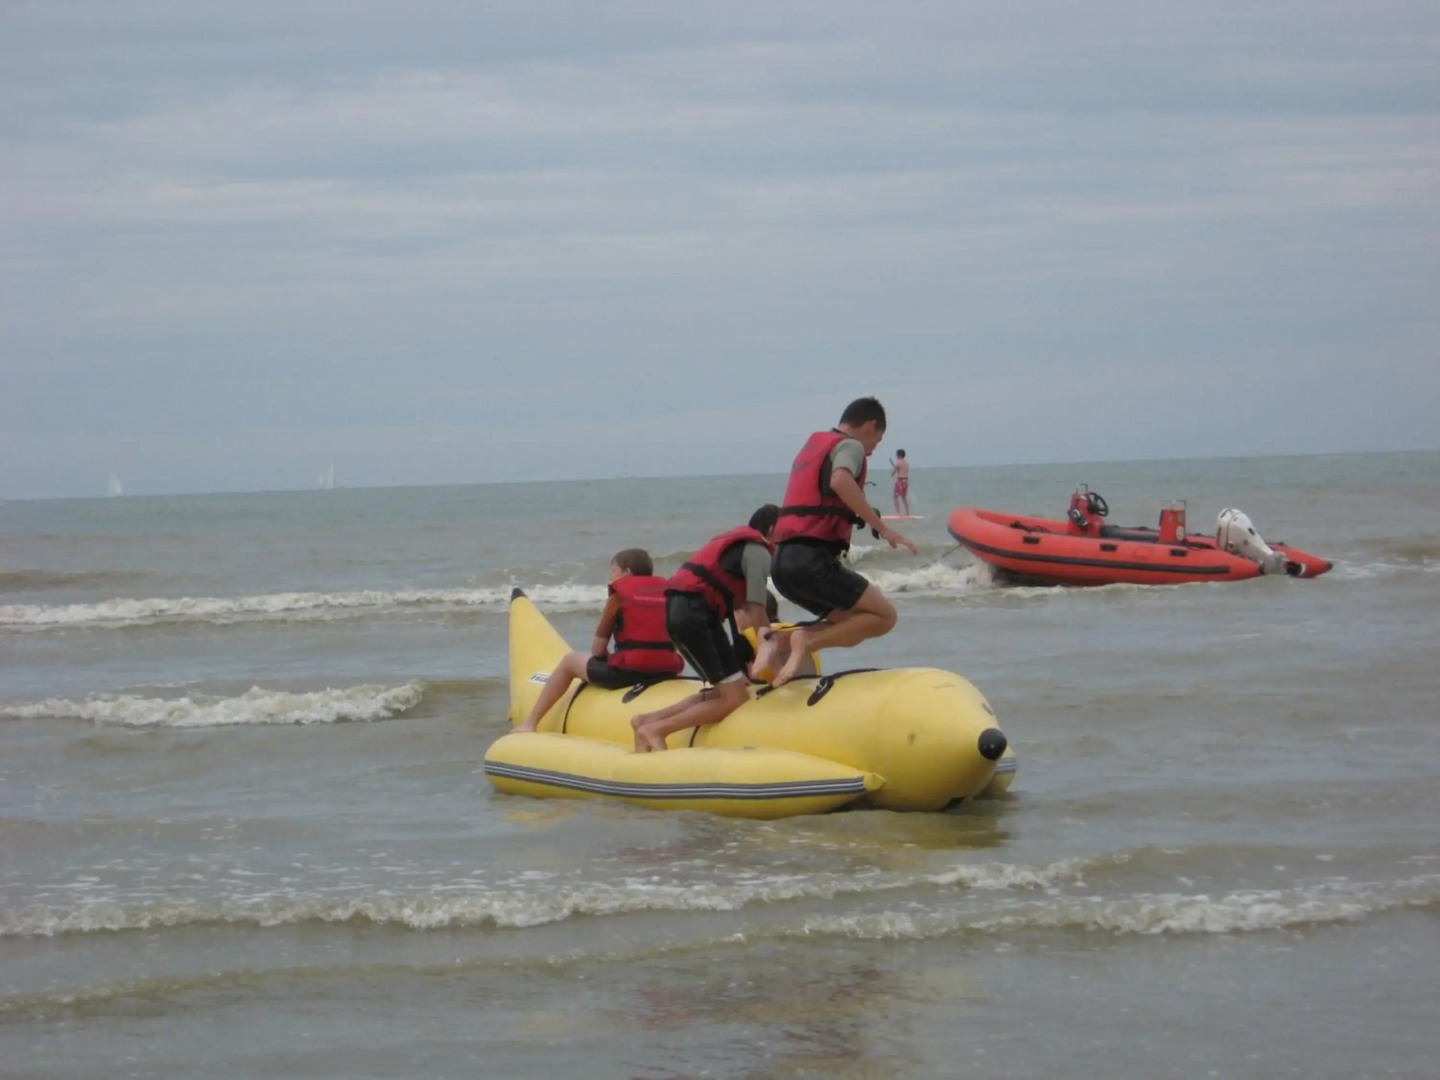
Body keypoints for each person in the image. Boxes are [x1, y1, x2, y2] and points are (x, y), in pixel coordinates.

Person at [763, 396, 918, 687]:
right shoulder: (852, 445)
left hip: (782, 565)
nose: (872, 451)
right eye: (878, 440)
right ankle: (805, 640)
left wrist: (862, 514)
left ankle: (777, 639)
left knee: (851, 624)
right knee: (884, 617)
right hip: (812, 562)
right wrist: (884, 529)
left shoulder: (815, 444)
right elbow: (840, 481)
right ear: (871, 426)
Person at [629, 505, 779, 752]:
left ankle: (647, 720)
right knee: (735, 698)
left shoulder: (739, 548)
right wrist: (777, 668)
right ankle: (658, 730)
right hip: (695, 617)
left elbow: (739, 604)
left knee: (732, 689)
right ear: (773, 529)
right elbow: (756, 609)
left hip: (688, 614)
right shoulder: (758, 552)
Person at [517, 548, 682, 732]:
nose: (611, 576)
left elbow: (598, 649)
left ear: (627, 572)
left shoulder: (618, 596)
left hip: (630, 672)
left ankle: (530, 723)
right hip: (668, 670)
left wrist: (609, 657)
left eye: (613, 570)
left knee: (569, 661)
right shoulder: (670, 594)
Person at [891, 449, 911, 516]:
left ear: (899, 455)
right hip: (906, 481)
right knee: (904, 498)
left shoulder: (898, 462)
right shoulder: (906, 463)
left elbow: (892, 473)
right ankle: (907, 513)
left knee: (895, 497)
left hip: (900, 481)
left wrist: (894, 468)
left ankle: (898, 513)